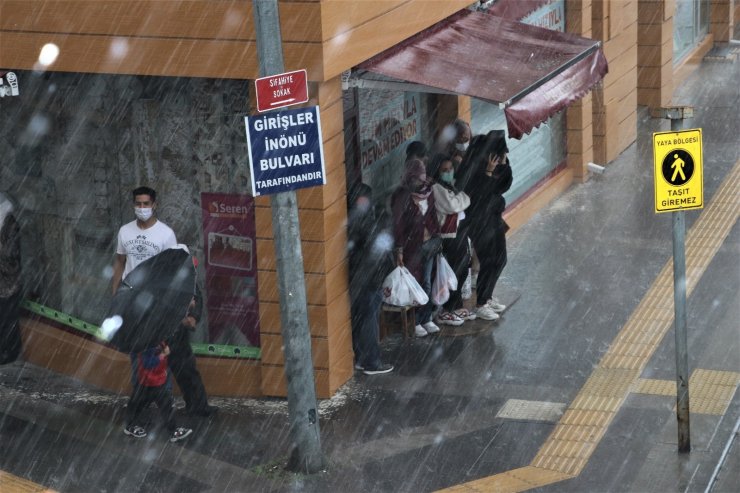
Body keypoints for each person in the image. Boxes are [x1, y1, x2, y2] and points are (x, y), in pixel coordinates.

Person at [112, 186, 216, 416]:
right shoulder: (124, 232)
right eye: (138, 204)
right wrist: (116, 296)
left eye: (146, 204)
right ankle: (146, 411)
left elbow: (178, 268)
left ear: (154, 205)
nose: (142, 209)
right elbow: (119, 262)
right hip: (136, 305)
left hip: (162, 304)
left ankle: (192, 407)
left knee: (178, 359)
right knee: (141, 361)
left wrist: (189, 311)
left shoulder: (165, 234)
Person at [462, 130, 512, 321]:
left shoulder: (499, 163)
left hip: (494, 219)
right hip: (479, 222)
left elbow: (503, 186)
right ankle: (481, 303)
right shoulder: (473, 168)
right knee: (489, 260)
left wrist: (504, 163)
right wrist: (488, 172)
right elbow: (480, 194)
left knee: (501, 259)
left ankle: (487, 296)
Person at [347, 182, 394, 375]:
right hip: (368, 279)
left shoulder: (352, 219)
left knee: (361, 320)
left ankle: (361, 357)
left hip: (359, 279)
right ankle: (371, 362)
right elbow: (374, 248)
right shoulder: (364, 221)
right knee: (369, 321)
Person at [391, 159, 442, 337]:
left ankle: (425, 317)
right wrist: (399, 250)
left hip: (429, 244)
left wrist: (436, 235)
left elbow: (433, 215)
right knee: (414, 285)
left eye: (422, 178)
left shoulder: (428, 192)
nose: (421, 182)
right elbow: (397, 225)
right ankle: (415, 322)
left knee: (427, 282)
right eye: (417, 179)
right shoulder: (401, 196)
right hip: (411, 247)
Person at [427, 154, 475, 326]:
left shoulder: (451, 184)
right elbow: (452, 205)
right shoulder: (436, 188)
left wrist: (461, 198)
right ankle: (446, 309)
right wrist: (464, 198)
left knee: (464, 267)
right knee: (454, 270)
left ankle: (456, 305)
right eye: (444, 170)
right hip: (449, 235)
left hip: (460, 230)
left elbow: (458, 201)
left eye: (450, 169)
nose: (448, 172)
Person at [124, 341, 193, 442]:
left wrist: (164, 350)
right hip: (146, 381)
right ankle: (131, 425)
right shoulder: (145, 344)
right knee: (137, 403)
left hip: (158, 380)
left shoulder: (159, 341)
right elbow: (148, 363)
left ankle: (173, 430)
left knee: (166, 405)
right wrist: (163, 354)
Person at [0, 193, 22, 364]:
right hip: (6, 283)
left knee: (7, 318)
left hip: (7, 283)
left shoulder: (9, 222)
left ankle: (8, 353)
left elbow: (10, 255)